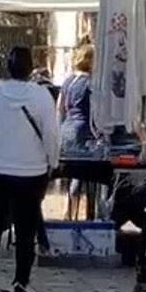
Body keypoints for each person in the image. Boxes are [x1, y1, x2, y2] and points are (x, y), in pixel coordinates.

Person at [0, 47, 61, 292]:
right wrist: (52, 160)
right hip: (32, 171)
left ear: (7, 67)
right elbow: (51, 133)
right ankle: (21, 283)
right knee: (26, 227)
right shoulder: (42, 96)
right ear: (31, 68)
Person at [57, 45, 95, 219]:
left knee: (71, 172)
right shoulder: (90, 83)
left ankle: (68, 211)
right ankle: (82, 214)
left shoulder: (68, 81)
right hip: (84, 129)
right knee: (83, 173)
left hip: (67, 128)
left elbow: (60, 107)